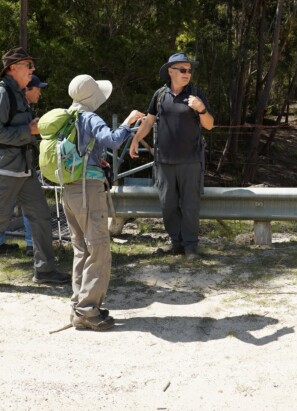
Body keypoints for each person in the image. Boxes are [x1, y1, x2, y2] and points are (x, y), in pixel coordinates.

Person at [0, 48, 70, 290]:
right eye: (28, 64)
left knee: (41, 216)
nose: (33, 69)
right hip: (5, 170)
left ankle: (45, 270)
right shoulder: (1, 93)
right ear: (13, 68)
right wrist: (28, 130)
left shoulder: (19, 93)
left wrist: (33, 127)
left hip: (24, 168)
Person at [63, 74, 144, 331]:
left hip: (69, 189)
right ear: (92, 95)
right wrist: (129, 122)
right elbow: (113, 140)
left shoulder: (67, 118)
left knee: (81, 249)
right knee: (98, 248)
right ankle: (88, 311)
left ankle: (79, 306)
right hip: (88, 191)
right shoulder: (89, 117)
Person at [129, 52, 213, 260]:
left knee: (190, 206)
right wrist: (135, 140)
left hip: (191, 161)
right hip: (164, 162)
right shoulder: (159, 95)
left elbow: (209, 125)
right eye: (182, 70)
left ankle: (191, 247)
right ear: (170, 71)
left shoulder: (196, 94)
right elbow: (149, 121)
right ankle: (176, 244)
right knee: (168, 205)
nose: (187, 73)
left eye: (189, 70)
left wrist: (201, 109)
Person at [0, 75, 46, 256]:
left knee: (24, 208)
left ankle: (29, 246)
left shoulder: (23, 108)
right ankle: (29, 245)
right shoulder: (8, 101)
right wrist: (30, 130)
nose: (40, 92)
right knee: (11, 210)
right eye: (37, 88)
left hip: (20, 165)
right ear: (27, 89)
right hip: (11, 165)